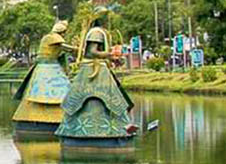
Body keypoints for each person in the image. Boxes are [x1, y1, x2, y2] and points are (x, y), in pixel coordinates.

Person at [56, 9, 134, 140]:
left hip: (100, 69)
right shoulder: (96, 32)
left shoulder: (101, 32)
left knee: (118, 99)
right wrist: (110, 55)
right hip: (93, 70)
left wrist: (113, 59)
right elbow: (92, 51)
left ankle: (120, 128)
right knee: (97, 98)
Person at [11, 20, 75, 131]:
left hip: (48, 66)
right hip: (47, 67)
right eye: (64, 32)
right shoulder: (53, 37)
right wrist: (78, 49)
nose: (64, 34)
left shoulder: (48, 37)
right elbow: (64, 47)